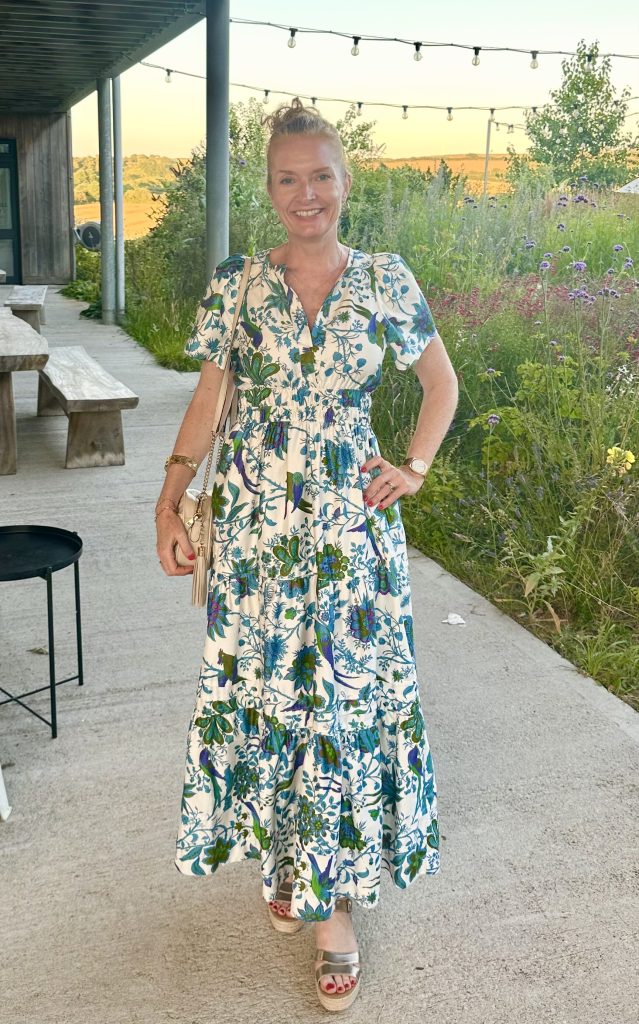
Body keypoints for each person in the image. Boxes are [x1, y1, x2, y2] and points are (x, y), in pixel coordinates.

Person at [156, 97, 459, 1012]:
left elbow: (440, 385)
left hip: (350, 533)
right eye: (287, 178)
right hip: (255, 533)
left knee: (339, 702)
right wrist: (171, 494)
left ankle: (330, 914)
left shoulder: (385, 281)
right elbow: (210, 402)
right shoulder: (238, 284)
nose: (304, 194)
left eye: (319, 175)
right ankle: (290, 868)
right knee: (270, 694)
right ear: (270, 188)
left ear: (344, 181)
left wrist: (412, 466)